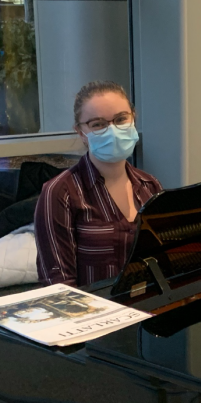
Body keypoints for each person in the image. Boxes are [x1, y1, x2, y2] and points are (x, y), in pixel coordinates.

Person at [35, 81, 162, 287]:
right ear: (80, 132)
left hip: (149, 310)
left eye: (121, 119)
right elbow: (58, 285)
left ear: (133, 118)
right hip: (93, 315)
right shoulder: (60, 192)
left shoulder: (150, 185)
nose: (112, 130)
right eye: (98, 124)